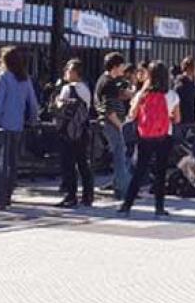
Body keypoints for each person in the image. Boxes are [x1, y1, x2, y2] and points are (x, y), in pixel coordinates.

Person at [120, 60, 181, 218]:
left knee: (140, 170)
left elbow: (132, 115)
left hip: (145, 135)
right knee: (160, 172)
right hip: (164, 136)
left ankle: (127, 204)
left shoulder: (142, 94)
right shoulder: (172, 95)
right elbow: (177, 119)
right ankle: (159, 207)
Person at [0, 46, 40, 208]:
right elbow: (33, 102)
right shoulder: (24, 78)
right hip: (17, 125)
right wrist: (34, 119)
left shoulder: (4, 76)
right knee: (11, 161)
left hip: (2, 124)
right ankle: (7, 193)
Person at [49, 59, 94, 208]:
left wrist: (56, 101)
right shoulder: (86, 89)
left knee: (68, 164)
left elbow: (59, 108)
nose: (65, 73)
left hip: (68, 131)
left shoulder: (68, 89)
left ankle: (71, 195)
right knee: (82, 164)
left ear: (74, 72)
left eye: (67, 70)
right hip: (82, 130)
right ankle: (88, 196)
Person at [95, 52, 132, 200]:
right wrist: (121, 125)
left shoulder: (108, 81)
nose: (123, 68)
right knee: (120, 155)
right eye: (122, 65)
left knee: (120, 155)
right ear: (115, 67)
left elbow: (121, 94)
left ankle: (120, 186)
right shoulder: (108, 82)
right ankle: (123, 190)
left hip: (111, 122)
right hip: (112, 123)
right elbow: (109, 109)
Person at [175, 57, 195, 139]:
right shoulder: (181, 85)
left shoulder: (192, 83)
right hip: (184, 121)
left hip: (191, 120)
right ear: (190, 68)